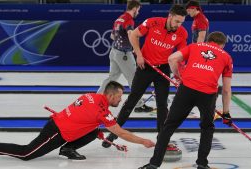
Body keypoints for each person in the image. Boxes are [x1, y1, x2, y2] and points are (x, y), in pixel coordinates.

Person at [0, 81, 155, 161]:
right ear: (111, 95)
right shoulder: (102, 112)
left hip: (59, 123)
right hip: (56, 132)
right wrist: (143, 141)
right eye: (119, 97)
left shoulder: (92, 96)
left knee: (94, 129)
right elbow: (120, 132)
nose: (120, 100)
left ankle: (68, 148)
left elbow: (81, 116)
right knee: (27, 154)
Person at [139, 31, 233, 169]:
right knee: (207, 128)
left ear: (208, 41)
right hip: (207, 95)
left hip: (187, 89)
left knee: (168, 126)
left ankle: (154, 164)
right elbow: (226, 89)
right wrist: (226, 113)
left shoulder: (195, 46)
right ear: (222, 45)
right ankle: (202, 164)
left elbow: (172, 58)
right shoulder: (227, 57)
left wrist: (178, 76)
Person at [102, 4, 188, 152]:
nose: (178, 25)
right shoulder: (152, 22)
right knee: (132, 102)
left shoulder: (182, 33)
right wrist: (139, 55)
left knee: (162, 105)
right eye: (177, 21)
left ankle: (162, 139)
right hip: (145, 67)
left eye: (181, 22)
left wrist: (180, 76)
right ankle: (113, 134)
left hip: (163, 69)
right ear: (170, 16)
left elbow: (180, 57)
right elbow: (133, 35)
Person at [97, 0, 154, 113]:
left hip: (114, 52)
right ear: (135, 8)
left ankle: (97, 99)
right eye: (138, 10)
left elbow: (112, 36)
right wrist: (136, 50)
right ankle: (138, 105)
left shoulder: (119, 18)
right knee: (134, 79)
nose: (138, 12)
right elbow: (130, 34)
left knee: (111, 78)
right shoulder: (129, 19)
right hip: (124, 55)